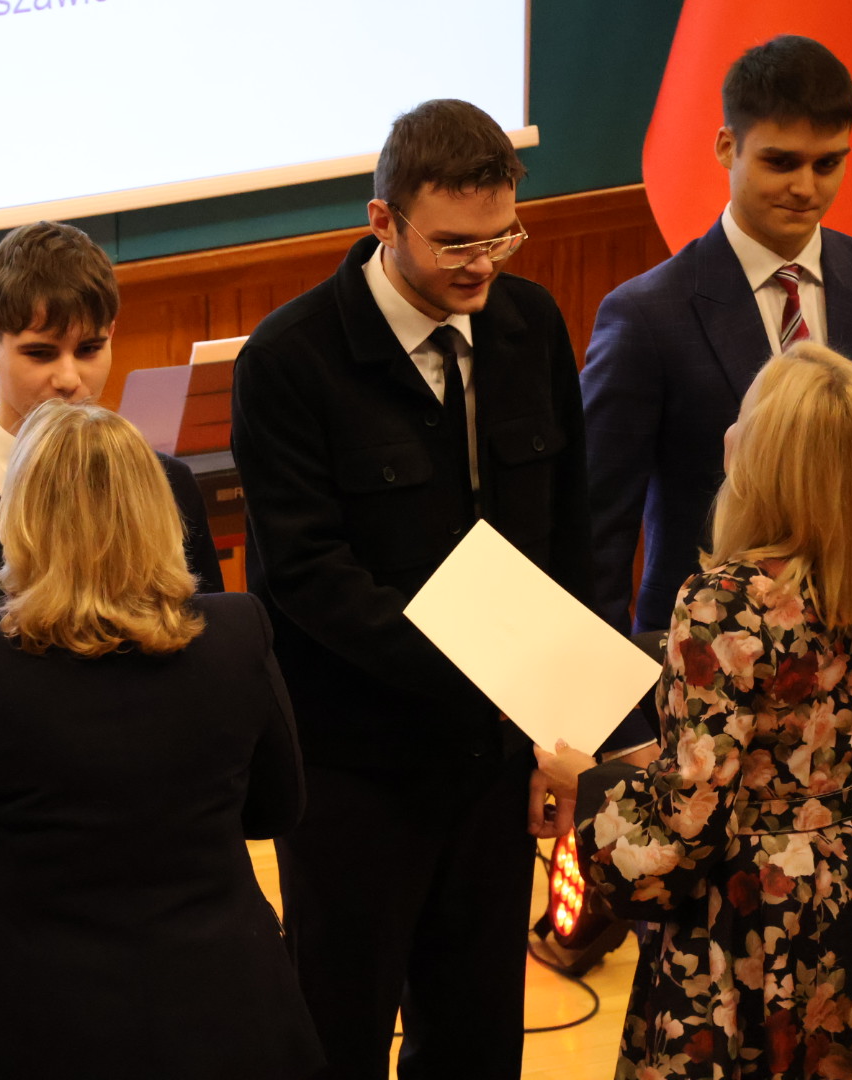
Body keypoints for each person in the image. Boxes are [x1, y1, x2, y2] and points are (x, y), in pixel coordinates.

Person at [230, 98, 590, 1078]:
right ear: (382, 220)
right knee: (336, 1034)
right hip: (353, 771)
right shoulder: (289, 360)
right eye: (455, 244)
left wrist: (561, 729)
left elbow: (568, 534)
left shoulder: (530, 325)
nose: (482, 266)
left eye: (501, 237)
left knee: (477, 1039)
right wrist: (484, 669)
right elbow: (306, 576)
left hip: (495, 761)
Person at [0, 219, 223, 1035]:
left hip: (165, 873)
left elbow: (206, 655)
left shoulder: (165, 487)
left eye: (90, 349)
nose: (69, 378)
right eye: (39, 352)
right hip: (9, 880)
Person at [0, 400, 322, 1079]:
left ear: (22, 521)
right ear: (159, 511)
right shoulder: (237, 632)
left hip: (42, 1023)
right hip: (226, 1010)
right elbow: (277, 809)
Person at [538, 343, 852, 1077]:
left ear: (769, 460)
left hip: (755, 915)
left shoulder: (725, 602)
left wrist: (589, 783)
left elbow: (688, 828)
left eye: (744, 415)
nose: (727, 431)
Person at [583, 35, 852, 647]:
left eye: (827, 164)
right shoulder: (645, 316)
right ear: (726, 147)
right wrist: (611, 688)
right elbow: (599, 527)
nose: (806, 187)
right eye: (781, 162)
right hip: (703, 659)